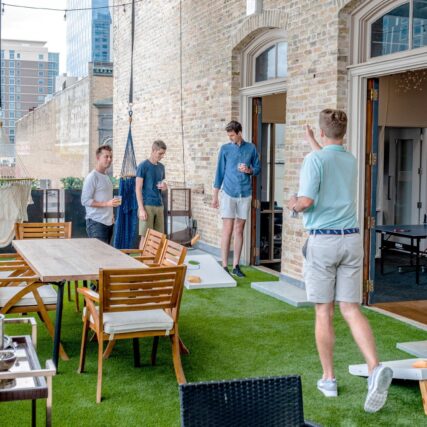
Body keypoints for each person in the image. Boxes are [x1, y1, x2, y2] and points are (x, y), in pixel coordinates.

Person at [287, 109, 392, 412]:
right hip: (351, 240)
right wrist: (312, 141)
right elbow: (327, 158)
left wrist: (293, 203)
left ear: (322, 132)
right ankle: (374, 368)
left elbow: (307, 201)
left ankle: (329, 379)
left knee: (324, 311)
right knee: (350, 308)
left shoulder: (315, 160)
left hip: (324, 241)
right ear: (342, 133)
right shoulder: (350, 160)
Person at [212, 120, 260, 277]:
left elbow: (257, 168)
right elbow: (219, 173)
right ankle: (224, 266)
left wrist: (249, 170)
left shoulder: (251, 148)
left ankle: (236, 266)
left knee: (239, 229)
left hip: (245, 194)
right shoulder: (225, 149)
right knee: (227, 229)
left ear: (239, 133)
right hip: (228, 193)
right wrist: (215, 196)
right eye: (229, 136)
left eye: (232, 135)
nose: (230, 138)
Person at [81, 144, 120, 244]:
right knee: (98, 254)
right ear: (98, 158)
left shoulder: (106, 177)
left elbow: (105, 198)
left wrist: (111, 215)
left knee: (105, 253)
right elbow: (85, 200)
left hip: (109, 223)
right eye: (106, 156)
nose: (109, 159)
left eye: (110, 157)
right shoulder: (92, 177)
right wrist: (107, 204)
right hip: (96, 224)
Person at [136, 140, 167, 248]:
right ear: (153, 150)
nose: (162, 156)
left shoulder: (161, 167)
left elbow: (161, 185)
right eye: (160, 153)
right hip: (147, 205)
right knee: (145, 237)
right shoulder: (143, 166)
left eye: (163, 154)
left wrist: (165, 187)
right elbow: (138, 188)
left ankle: (154, 258)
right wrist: (141, 209)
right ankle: (142, 259)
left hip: (159, 205)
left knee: (158, 238)